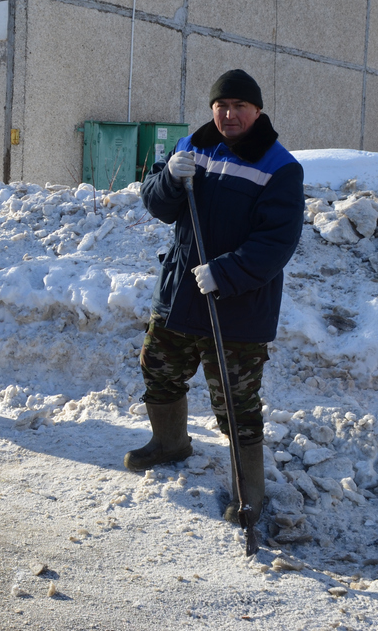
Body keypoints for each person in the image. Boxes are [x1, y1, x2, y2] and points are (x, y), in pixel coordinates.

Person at [127, 69, 304, 526]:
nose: (229, 115)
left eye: (239, 107)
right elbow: (159, 206)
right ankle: (170, 443)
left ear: (257, 110)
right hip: (181, 295)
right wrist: (166, 177)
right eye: (221, 106)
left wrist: (226, 272)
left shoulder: (280, 166)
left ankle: (249, 492)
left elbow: (277, 242)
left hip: (238, 307)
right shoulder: (191, 146)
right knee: (158, 369)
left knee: (236, 400)